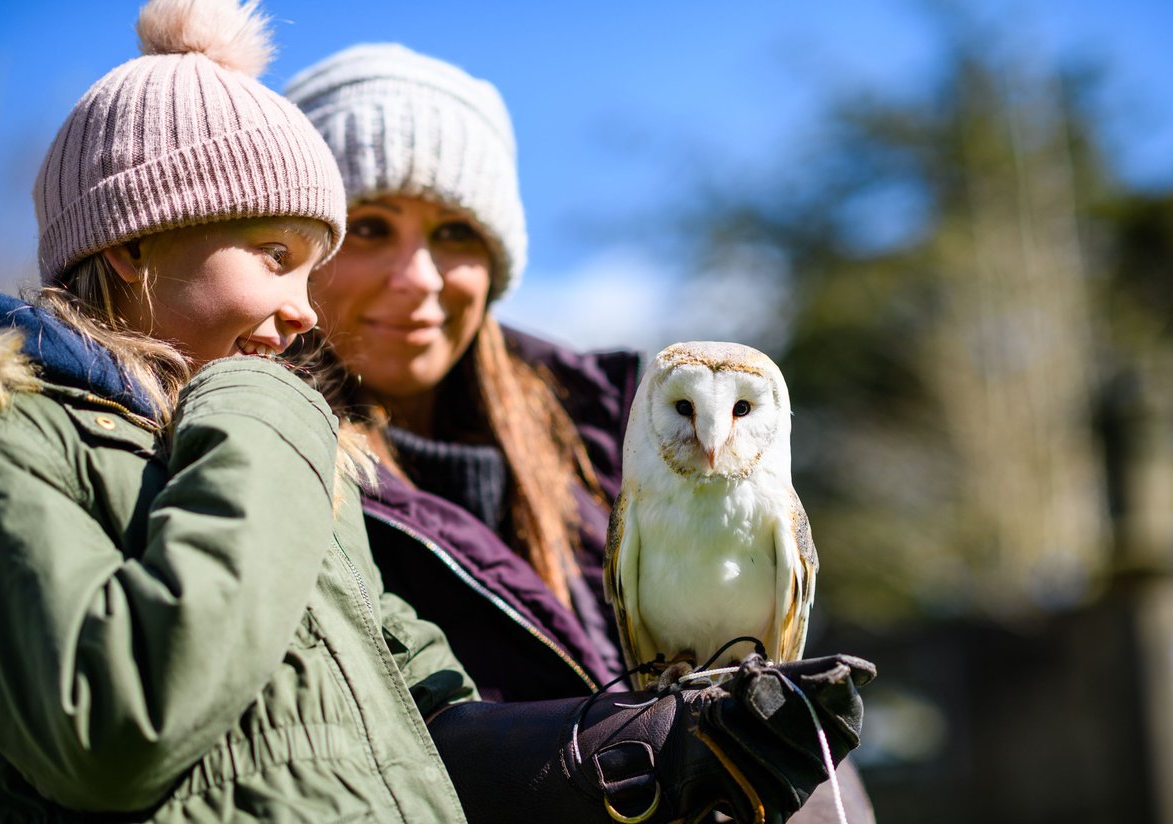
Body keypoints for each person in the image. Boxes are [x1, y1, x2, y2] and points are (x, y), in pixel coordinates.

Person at [285, 44, 878, 822]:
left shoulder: (594, 428)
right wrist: (617, 753)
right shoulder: (267, 454)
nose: (420, 278)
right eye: (368, 226)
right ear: (293, 246)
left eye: (457, 232)